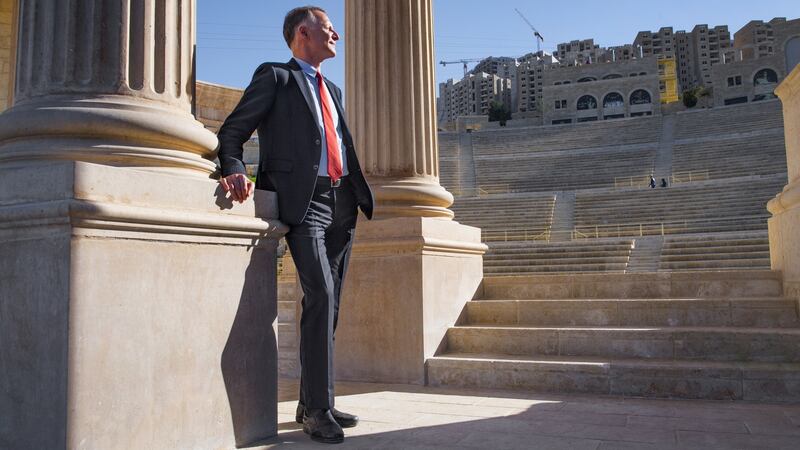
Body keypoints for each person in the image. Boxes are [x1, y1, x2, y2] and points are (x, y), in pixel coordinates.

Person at [216, 6, 374, 445]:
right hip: (304, 204)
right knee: (320, 294)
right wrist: (233, 166)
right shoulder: (276, 77)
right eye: (328, 29)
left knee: (329, 305)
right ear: (303, 33)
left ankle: (312, 400)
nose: (336, 34)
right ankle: (317, 411)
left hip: (342, 201)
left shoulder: (334, 89)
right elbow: (233, 131)